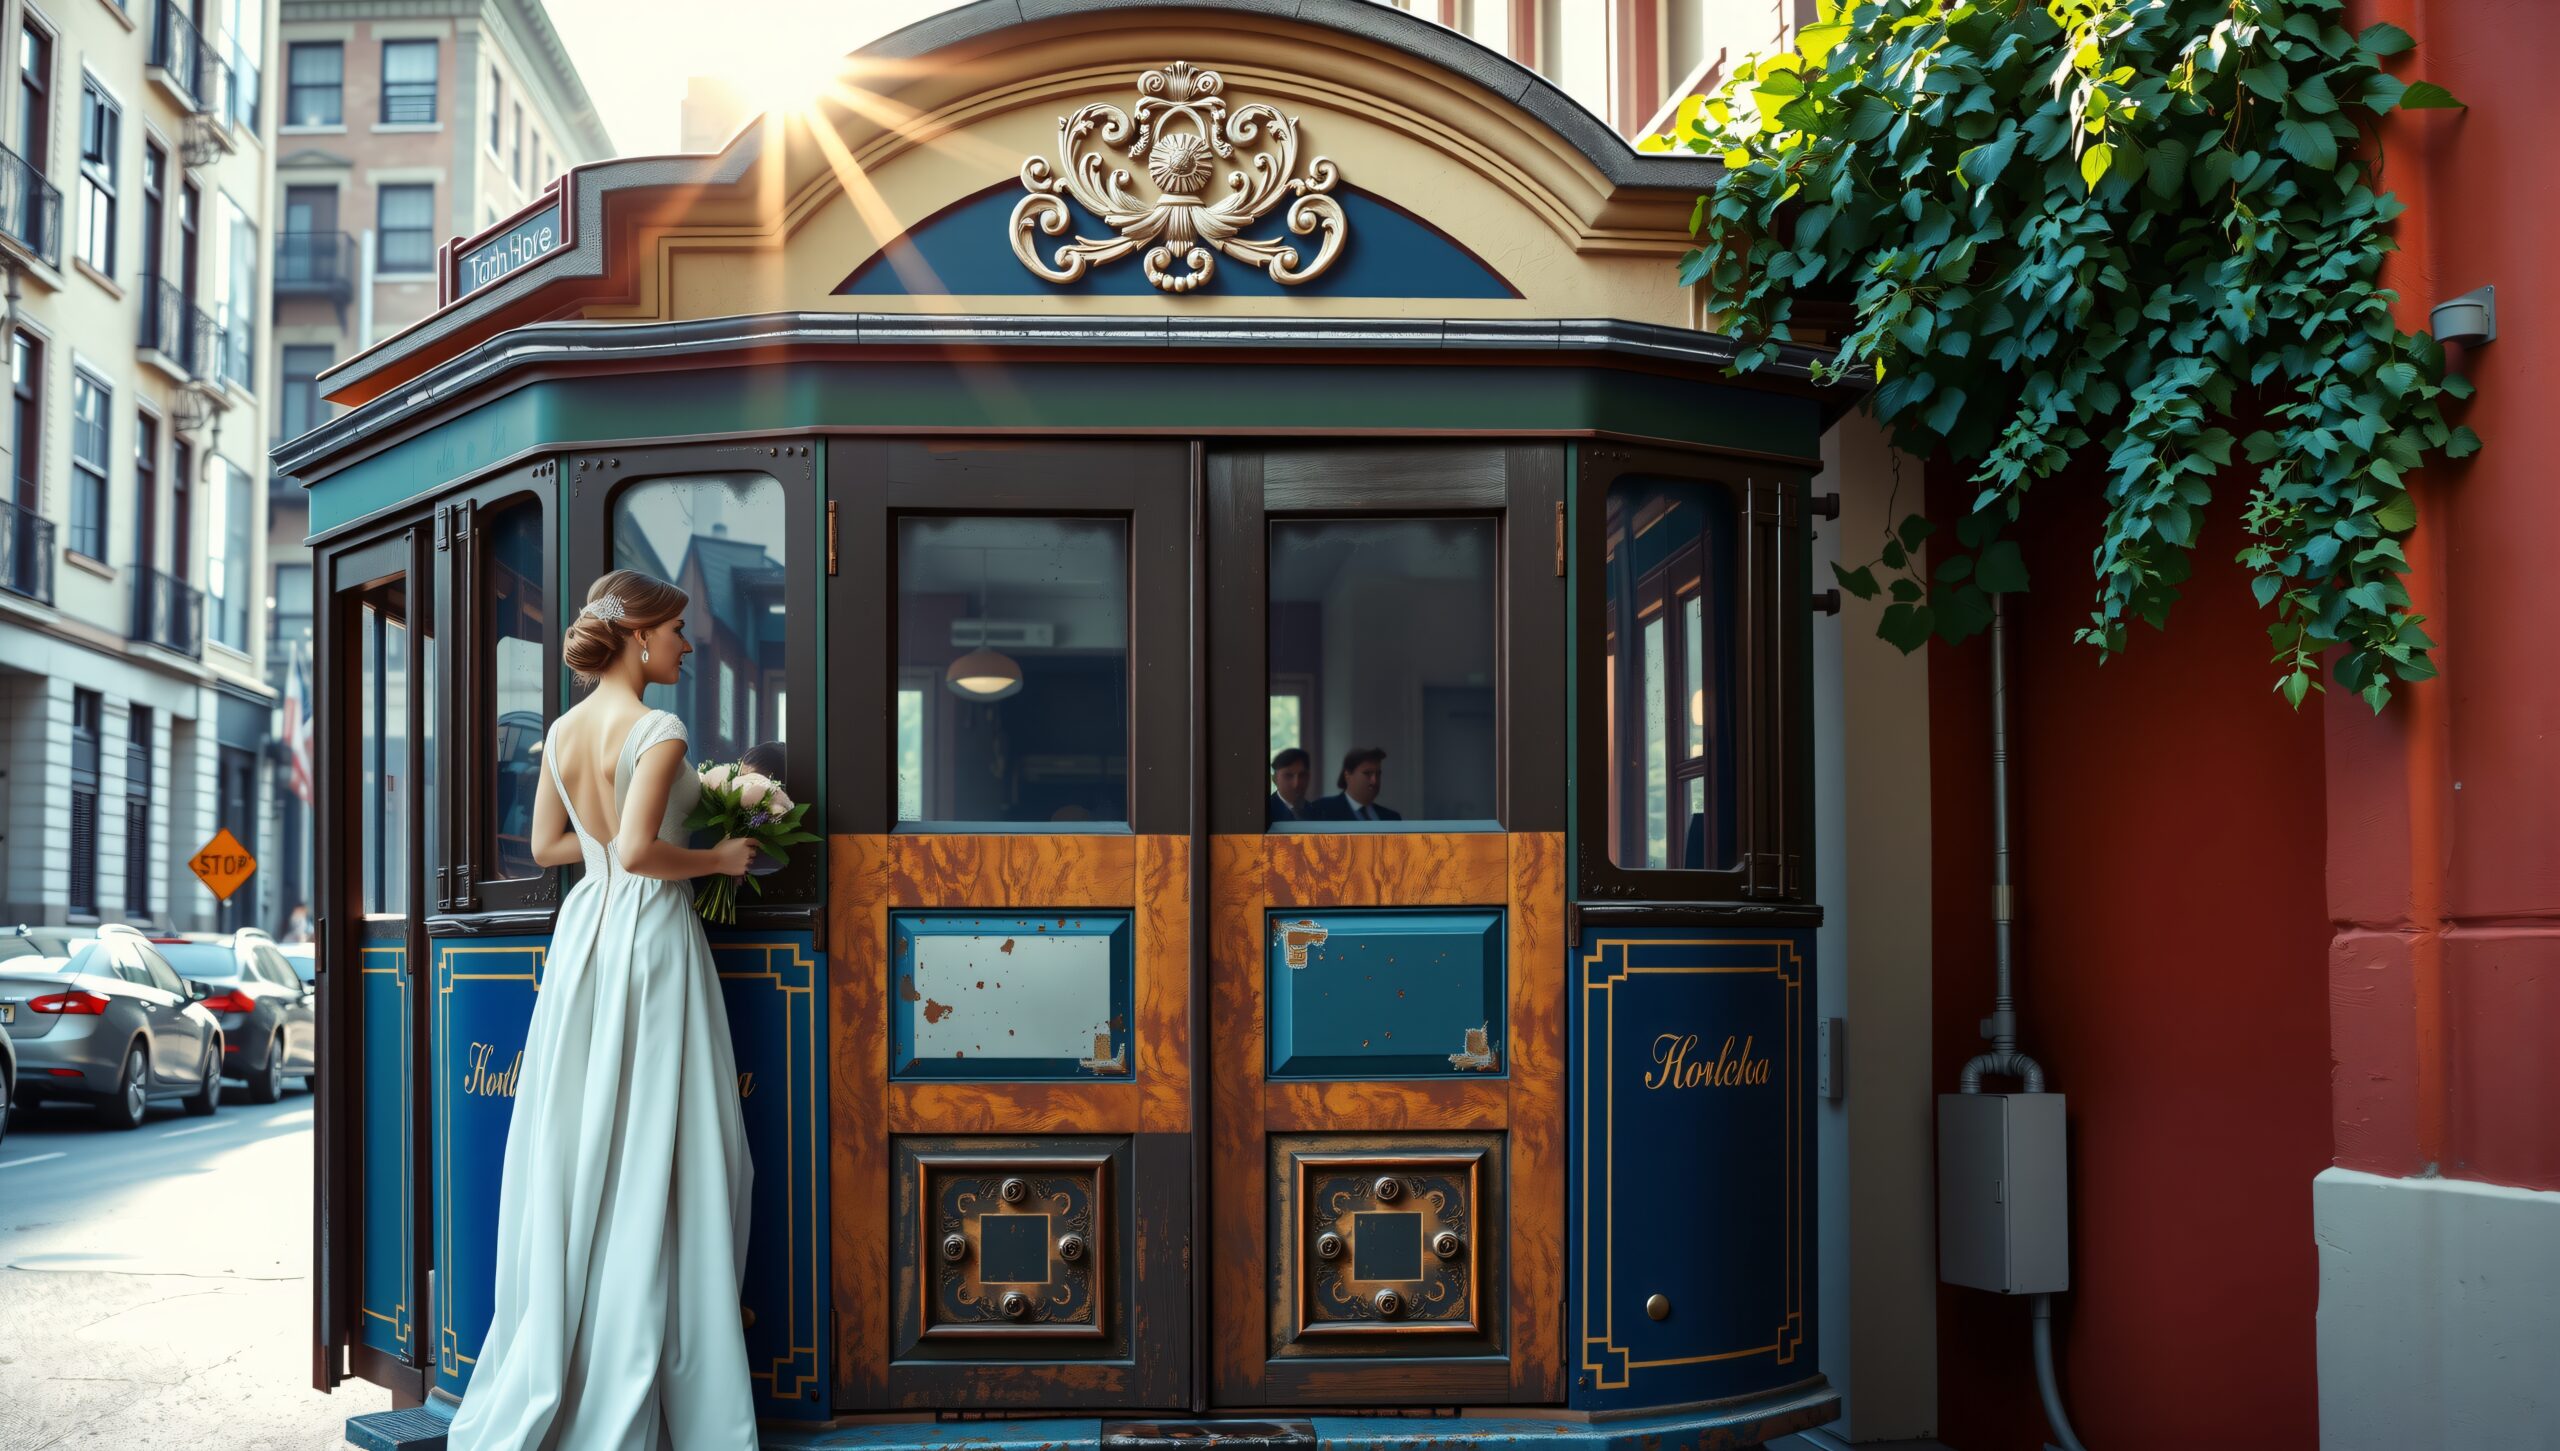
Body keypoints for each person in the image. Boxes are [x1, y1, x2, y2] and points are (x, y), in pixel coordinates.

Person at [447, 569, 759, 1451]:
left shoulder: (561, 730)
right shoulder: (658, 728)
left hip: (586, 936)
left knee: (586, 1139)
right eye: (677, 630)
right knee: (672, 1143)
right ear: (638, 637)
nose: (687, 645)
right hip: (649, 940)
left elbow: (553, 844)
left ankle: (569, 1352)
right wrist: (722, 856)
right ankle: (653, 1356)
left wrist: (610, 861)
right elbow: (639, 849)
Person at [1305, 746, 1402, 822]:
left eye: (1378, 774)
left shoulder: (1391, 818)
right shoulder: (1323, 810)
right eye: (1367, 773)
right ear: (1348, 775)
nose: (1374, 781)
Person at [1267, 747, 1313, 824]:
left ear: (1308, 777)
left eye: (1302, 775)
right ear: (1274, 779)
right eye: (1288, 776)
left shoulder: (1317, 812)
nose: (1296, 784)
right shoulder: (1265, 811)